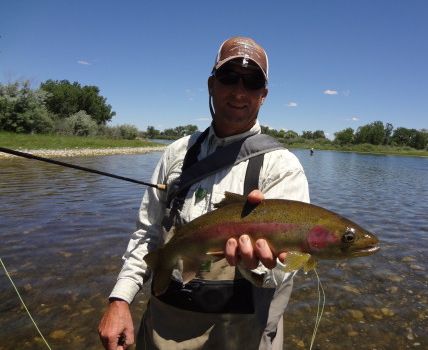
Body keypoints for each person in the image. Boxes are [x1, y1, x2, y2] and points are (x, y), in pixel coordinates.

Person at [98, 37, 310, 350]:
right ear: (211, 85)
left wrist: (262, 266)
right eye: (228, 78)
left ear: (263, 95)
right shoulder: (176, 154)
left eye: (251, 82)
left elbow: (285, 268)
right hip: (164, 330)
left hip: (241, 336)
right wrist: (120, 299)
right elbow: (147, 234)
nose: (239, 91)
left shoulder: (282, 167)